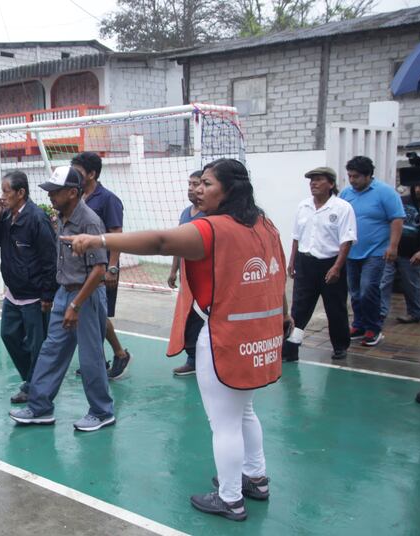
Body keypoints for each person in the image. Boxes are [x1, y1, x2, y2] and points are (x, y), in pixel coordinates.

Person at [61, 159, 288, 521]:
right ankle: (255, 478)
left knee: (224, 423)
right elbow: (278, 273)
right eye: (198, 183)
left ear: (229, 190)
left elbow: (161, 241)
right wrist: (284, 316)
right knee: (244, 411)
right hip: (259, 337)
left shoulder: (213, 228)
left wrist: (97, 240)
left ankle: (231, 497)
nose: (198, 188)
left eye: (207, 184)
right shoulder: (264, 223)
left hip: (224, 338)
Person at [9, 166, 115, 432]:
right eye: (49, 191)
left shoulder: (89, 221)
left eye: (55, 192)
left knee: (90, 357)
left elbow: (99, 270)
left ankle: (102, 412)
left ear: (72, 192)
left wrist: (76, 305)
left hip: (85, 295)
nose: (50, 196)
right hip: (64, 292)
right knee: (51, 350)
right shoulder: (61, 216)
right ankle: (40, 407)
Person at [0, 170, 58, 404]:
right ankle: (34, 379)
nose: (2, 197)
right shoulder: (5, 216)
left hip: (35, 295)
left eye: (7, 192)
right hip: (13, 293)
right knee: (9, 334)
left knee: (38, 345)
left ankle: (36, 388)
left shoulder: (37, 218)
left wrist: (47, 294)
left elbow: (50, 259)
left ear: (21, 193)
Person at [282, 167, 356, 362]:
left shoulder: (342, 207)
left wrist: (337, 267)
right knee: (299, 308)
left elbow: (346, 240)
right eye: (311, 180)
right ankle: (291, 347)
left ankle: (340, 346)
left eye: (318, 180)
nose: (313, 183)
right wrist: (292, 261)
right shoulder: (303, 206)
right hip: (305, 262)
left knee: (335, 308)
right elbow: (296, 237)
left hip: (330, 263)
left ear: (330, 184)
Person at [70, 152, 131, 380]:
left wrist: (112, 267)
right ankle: (99, 359)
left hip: (101, 268)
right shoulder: (76, 197)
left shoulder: (108, 199)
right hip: (80, 269)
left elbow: (116, 234)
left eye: (78, 172)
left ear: (92, 174)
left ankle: (119, 353)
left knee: (98, 315)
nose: (73, 176)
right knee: (91, 314)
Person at [339, 156, 405, 347]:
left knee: (368, 289)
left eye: (356, 176)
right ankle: (359, 325)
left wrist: (393, 247)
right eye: (350, 176)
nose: (352, 180)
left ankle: (374, 328)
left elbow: (397, 219)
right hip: (351, 251)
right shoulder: (346, 194)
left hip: (376, 252)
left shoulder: (385, 192)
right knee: (355, 292)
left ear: (369, 175)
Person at [167, 170, 206, 376]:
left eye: (196, 183)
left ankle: (197, 360)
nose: (191, 188)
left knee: (201, 319)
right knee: (188, 317)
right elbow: (177, 243)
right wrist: (174, 271)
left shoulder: (211, 214)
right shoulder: (185, 213)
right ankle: (193, 358)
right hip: (186, 278)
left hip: (204, 279)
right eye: (189, 183)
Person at [379, 184, 420, 325]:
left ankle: (415, 313)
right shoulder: (401, 200)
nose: (418, 189)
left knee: (411, 284)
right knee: (384, 281)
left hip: (413, 252)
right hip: (392, 248)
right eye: (417, 186)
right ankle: (380, 312)